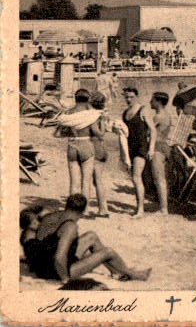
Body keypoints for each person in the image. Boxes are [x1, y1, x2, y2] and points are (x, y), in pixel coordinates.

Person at [21, 195, 151, 283]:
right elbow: (58, 257)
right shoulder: (70, 226)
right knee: (108, 252)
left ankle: (116, 272)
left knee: (91, 236)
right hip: (58, 270)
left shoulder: (51, 217)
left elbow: (39, 245)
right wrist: (66, 281)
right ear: (81, 212)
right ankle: (134, 275)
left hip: (43, 264)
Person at [122, 87, 160, 218]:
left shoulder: (143, 110)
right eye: (126, 97)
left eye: (131, 97)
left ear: (136, 97)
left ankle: (140, 210)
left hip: (141, 147)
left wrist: (151, 148)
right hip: (130, 147)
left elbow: (153, 130)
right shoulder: (125, 113)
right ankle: (139, 206)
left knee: (136, 177)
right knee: (135, 178)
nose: (129, 100)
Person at [55, 89, 95, 203]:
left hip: (72, 144)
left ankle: (73, 209)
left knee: (74, 182)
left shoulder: (68, 113)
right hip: (86, 143)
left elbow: (58, 133)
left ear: (75, 99)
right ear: (88, 100)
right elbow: (95, 132)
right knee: (86, 182)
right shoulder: (91, 114)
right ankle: (85, 210)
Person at [149, 92, 172, 213]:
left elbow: (148, 132)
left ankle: (164, 209)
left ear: (158, 102)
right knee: (161, 178)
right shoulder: (167, 115)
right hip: (164, 146)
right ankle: (163, 205)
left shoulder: (158, 117)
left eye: (152, 100)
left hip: (158, 147)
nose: (150, 102)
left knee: (159, 178)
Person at [89, 92, 110, 217]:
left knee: (97, 180)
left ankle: (103, 209)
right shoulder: (102, 115)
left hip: (95, 147)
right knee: (98, 181)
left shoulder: (94, 116)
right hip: (102, 148)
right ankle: (103, 207)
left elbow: (99, 133)